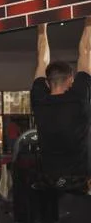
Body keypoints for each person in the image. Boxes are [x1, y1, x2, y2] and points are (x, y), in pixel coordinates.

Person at [31, 17, 91, 192]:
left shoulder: (39, 100)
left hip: (49, 180)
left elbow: (42, 60)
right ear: (71, 80)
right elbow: (86, 51)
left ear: (47, 83)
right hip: (80, 181)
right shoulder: (79, 98)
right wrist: (88, 20)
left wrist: (42, 27)